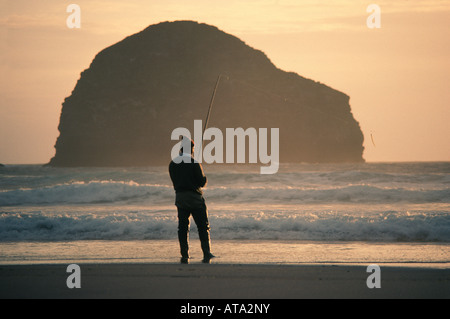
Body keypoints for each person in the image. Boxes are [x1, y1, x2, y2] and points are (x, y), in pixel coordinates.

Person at [169, 137, 215, 264]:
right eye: (193, 148)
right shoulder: (194, 162)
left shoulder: (172, 164)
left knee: (183, 228)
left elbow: (175, 181)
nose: (194, 150)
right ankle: (206, 252)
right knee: (203, 226)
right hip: (194, 198)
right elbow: (201, 182)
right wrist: (204, 176)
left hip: (180, 198)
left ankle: (185, 254)